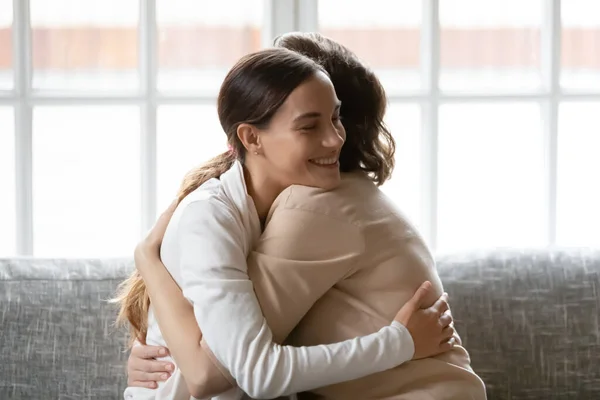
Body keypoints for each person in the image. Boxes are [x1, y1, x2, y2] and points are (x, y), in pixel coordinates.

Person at [125, 33, 486, 399]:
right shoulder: (239, 209)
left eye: (334, 118)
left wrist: (149, 262)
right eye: (308, 124)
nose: (333, 138)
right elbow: (218, 364)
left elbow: (209, 370)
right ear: (253, 136)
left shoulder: (317, 208)